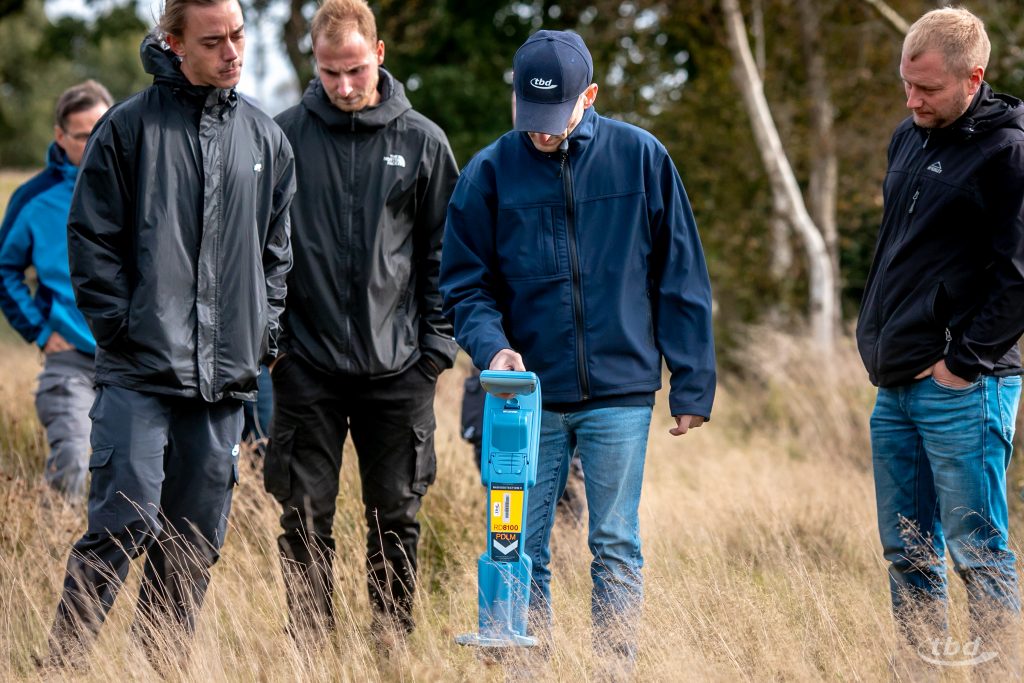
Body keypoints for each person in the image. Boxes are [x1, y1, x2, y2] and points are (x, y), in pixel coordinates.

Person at [440, 30, 716, 663]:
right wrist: (493, 351)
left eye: (554, 116)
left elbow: (681, 276)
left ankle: (613, 670)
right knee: (519, 546)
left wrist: (692, 383)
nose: (541, 132)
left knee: (614, 540)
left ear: (588, 96)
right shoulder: (487, 173)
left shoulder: (642, 158)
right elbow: (463, 286)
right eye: (528, 117)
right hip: (525, 398)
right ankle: (525, 670)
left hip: (620, 392)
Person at [46, 0, 295, 664]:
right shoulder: (127, 129)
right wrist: (124, 329)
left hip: (225, 382)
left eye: (239, 35)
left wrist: (262, 337)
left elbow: (277, 255)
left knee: (191, 542)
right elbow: (90, 241)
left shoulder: (266, 140)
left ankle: (156, 668)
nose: (233, 52)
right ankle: (60, 666)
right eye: (214, 41)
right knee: (124, 519)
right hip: (141, 370)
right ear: (173, 43)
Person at [266, 0, 458, 640]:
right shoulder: (283, 137)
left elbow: (444, 256)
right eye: (328, 74)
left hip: (399, 370)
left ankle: (390, 649)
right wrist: (276, 350)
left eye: (353, 70)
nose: (344, 87)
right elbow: (258, 249)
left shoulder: (423, 142)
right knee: (304, 518)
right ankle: (312, 655)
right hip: (305, 370)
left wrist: (433, 351)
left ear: (378, 54)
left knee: (395, 520)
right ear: (313, 65)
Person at [856, 6, 1024, 665]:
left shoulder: (1009, 152)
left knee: (976, 549)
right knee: (907, 547)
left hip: (962, 386)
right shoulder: (910, 136)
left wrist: (963, 362)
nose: (911, 99)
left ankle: (1003, 669)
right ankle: (922, 670)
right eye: (906, 83)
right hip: (894, 384)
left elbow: (1019, 277)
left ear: (972, 77)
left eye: (926, 89)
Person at [0, 80, 111, 502]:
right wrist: (41, 333)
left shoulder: (140, 184)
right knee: (72, 463)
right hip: (70, 361)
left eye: (101, 129)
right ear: (60, 136)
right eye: (82, 135)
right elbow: (4, 268)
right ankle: (52, 555)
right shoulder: (35, 198)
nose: (93, 142)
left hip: (137, 358)